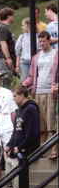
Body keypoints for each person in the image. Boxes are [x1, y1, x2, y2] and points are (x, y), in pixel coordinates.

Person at [22, 30, 58, 159]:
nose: (41, 43)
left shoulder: (56, 54)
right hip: (38, 92)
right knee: (41, 124)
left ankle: (54, 149)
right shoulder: (36, 57)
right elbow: (31, 76)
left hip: (51, 92)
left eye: (44, 41)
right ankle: (42, 150)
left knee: (51, 122)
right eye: (40, 41)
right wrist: (24, 84)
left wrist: (56, 86)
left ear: (49, 40)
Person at [0, 7, 16, 88]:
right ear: (8, 16)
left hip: (1, 59)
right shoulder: (3, 28)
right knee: (4, 82)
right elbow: (3, 43)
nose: (14, 17)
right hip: (2, 60)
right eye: (13, 16)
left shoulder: (2, 27)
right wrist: (8, 58)